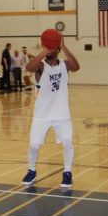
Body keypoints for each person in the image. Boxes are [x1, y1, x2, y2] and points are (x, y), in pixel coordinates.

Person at [21, 35, 80, 188]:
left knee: (68, 143)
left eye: (52, 48)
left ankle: (67, 173)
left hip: (62, 113)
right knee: (34, 145)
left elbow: (76, 66)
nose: (49, 50)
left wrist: (63, 46)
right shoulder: (40, 66)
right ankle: (31, 170)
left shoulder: (64, 65)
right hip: (42, 114)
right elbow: (29, 68)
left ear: (58, 50)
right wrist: (44, 51)